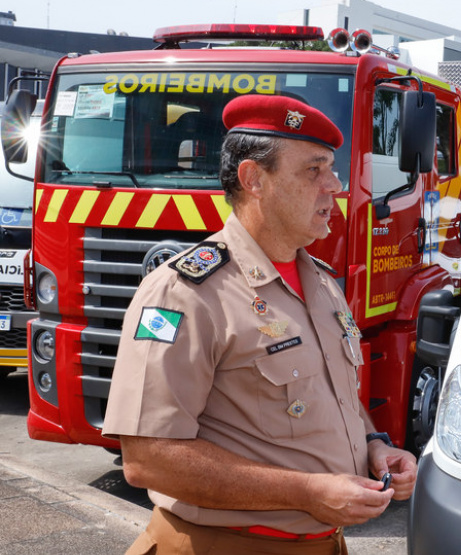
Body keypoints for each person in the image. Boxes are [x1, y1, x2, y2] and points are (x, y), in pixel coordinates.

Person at [102, 94, 417, 555]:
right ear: (254, 180)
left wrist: (373, 446)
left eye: (332, 168)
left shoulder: (322, 284)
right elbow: (149, 459)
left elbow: (328, 396)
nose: (336, 185)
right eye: (314, 170)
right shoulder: (185, 291)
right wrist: (307, 493)